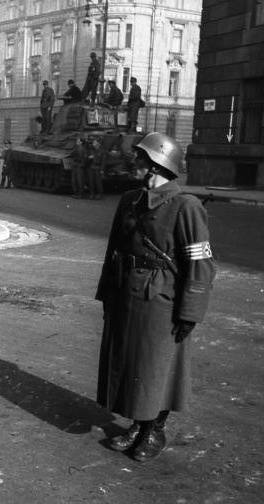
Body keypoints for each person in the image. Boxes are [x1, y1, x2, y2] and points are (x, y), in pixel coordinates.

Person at [95, 132, 215, 462]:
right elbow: (113, 250)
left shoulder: (186, 206)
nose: (134, 162)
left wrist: (190, 313)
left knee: (155, 367)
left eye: (141, 158)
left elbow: (201, 264)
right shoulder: (129, 200)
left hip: (161, 300)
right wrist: (106, 293)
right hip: (126, 294)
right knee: (131, 363)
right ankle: (138, 424)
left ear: (157, 165)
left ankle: (155, 430)